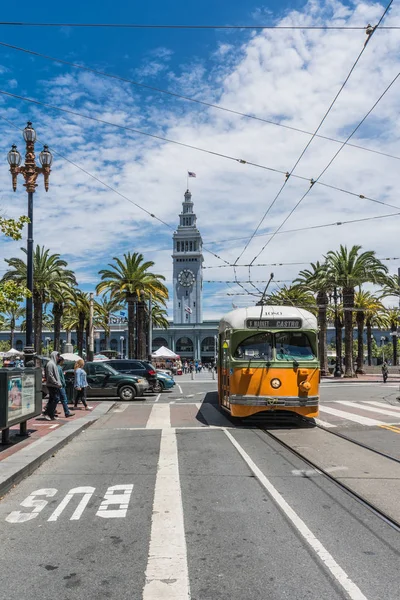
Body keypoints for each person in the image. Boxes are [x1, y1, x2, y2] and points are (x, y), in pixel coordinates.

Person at [44, 351, 62, 421]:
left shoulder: (53, 364)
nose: (58, 358)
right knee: (56, 399)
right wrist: (56, 383)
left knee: (52, 399)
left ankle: (49, 413)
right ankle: (49, 413)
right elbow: (50, 375)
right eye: (57, 356)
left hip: (54, 385)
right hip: (52, 385)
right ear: (54, 356)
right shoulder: (50, 364)